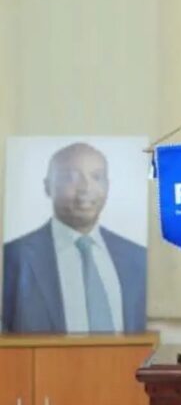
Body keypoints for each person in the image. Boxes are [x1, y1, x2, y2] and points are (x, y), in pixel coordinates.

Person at [2, 142, 146, 333]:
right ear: (48, 186)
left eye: (96, 177)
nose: (85, 188)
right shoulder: (12, 258)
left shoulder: (138, 258)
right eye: (70, 177)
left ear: (108, 186)